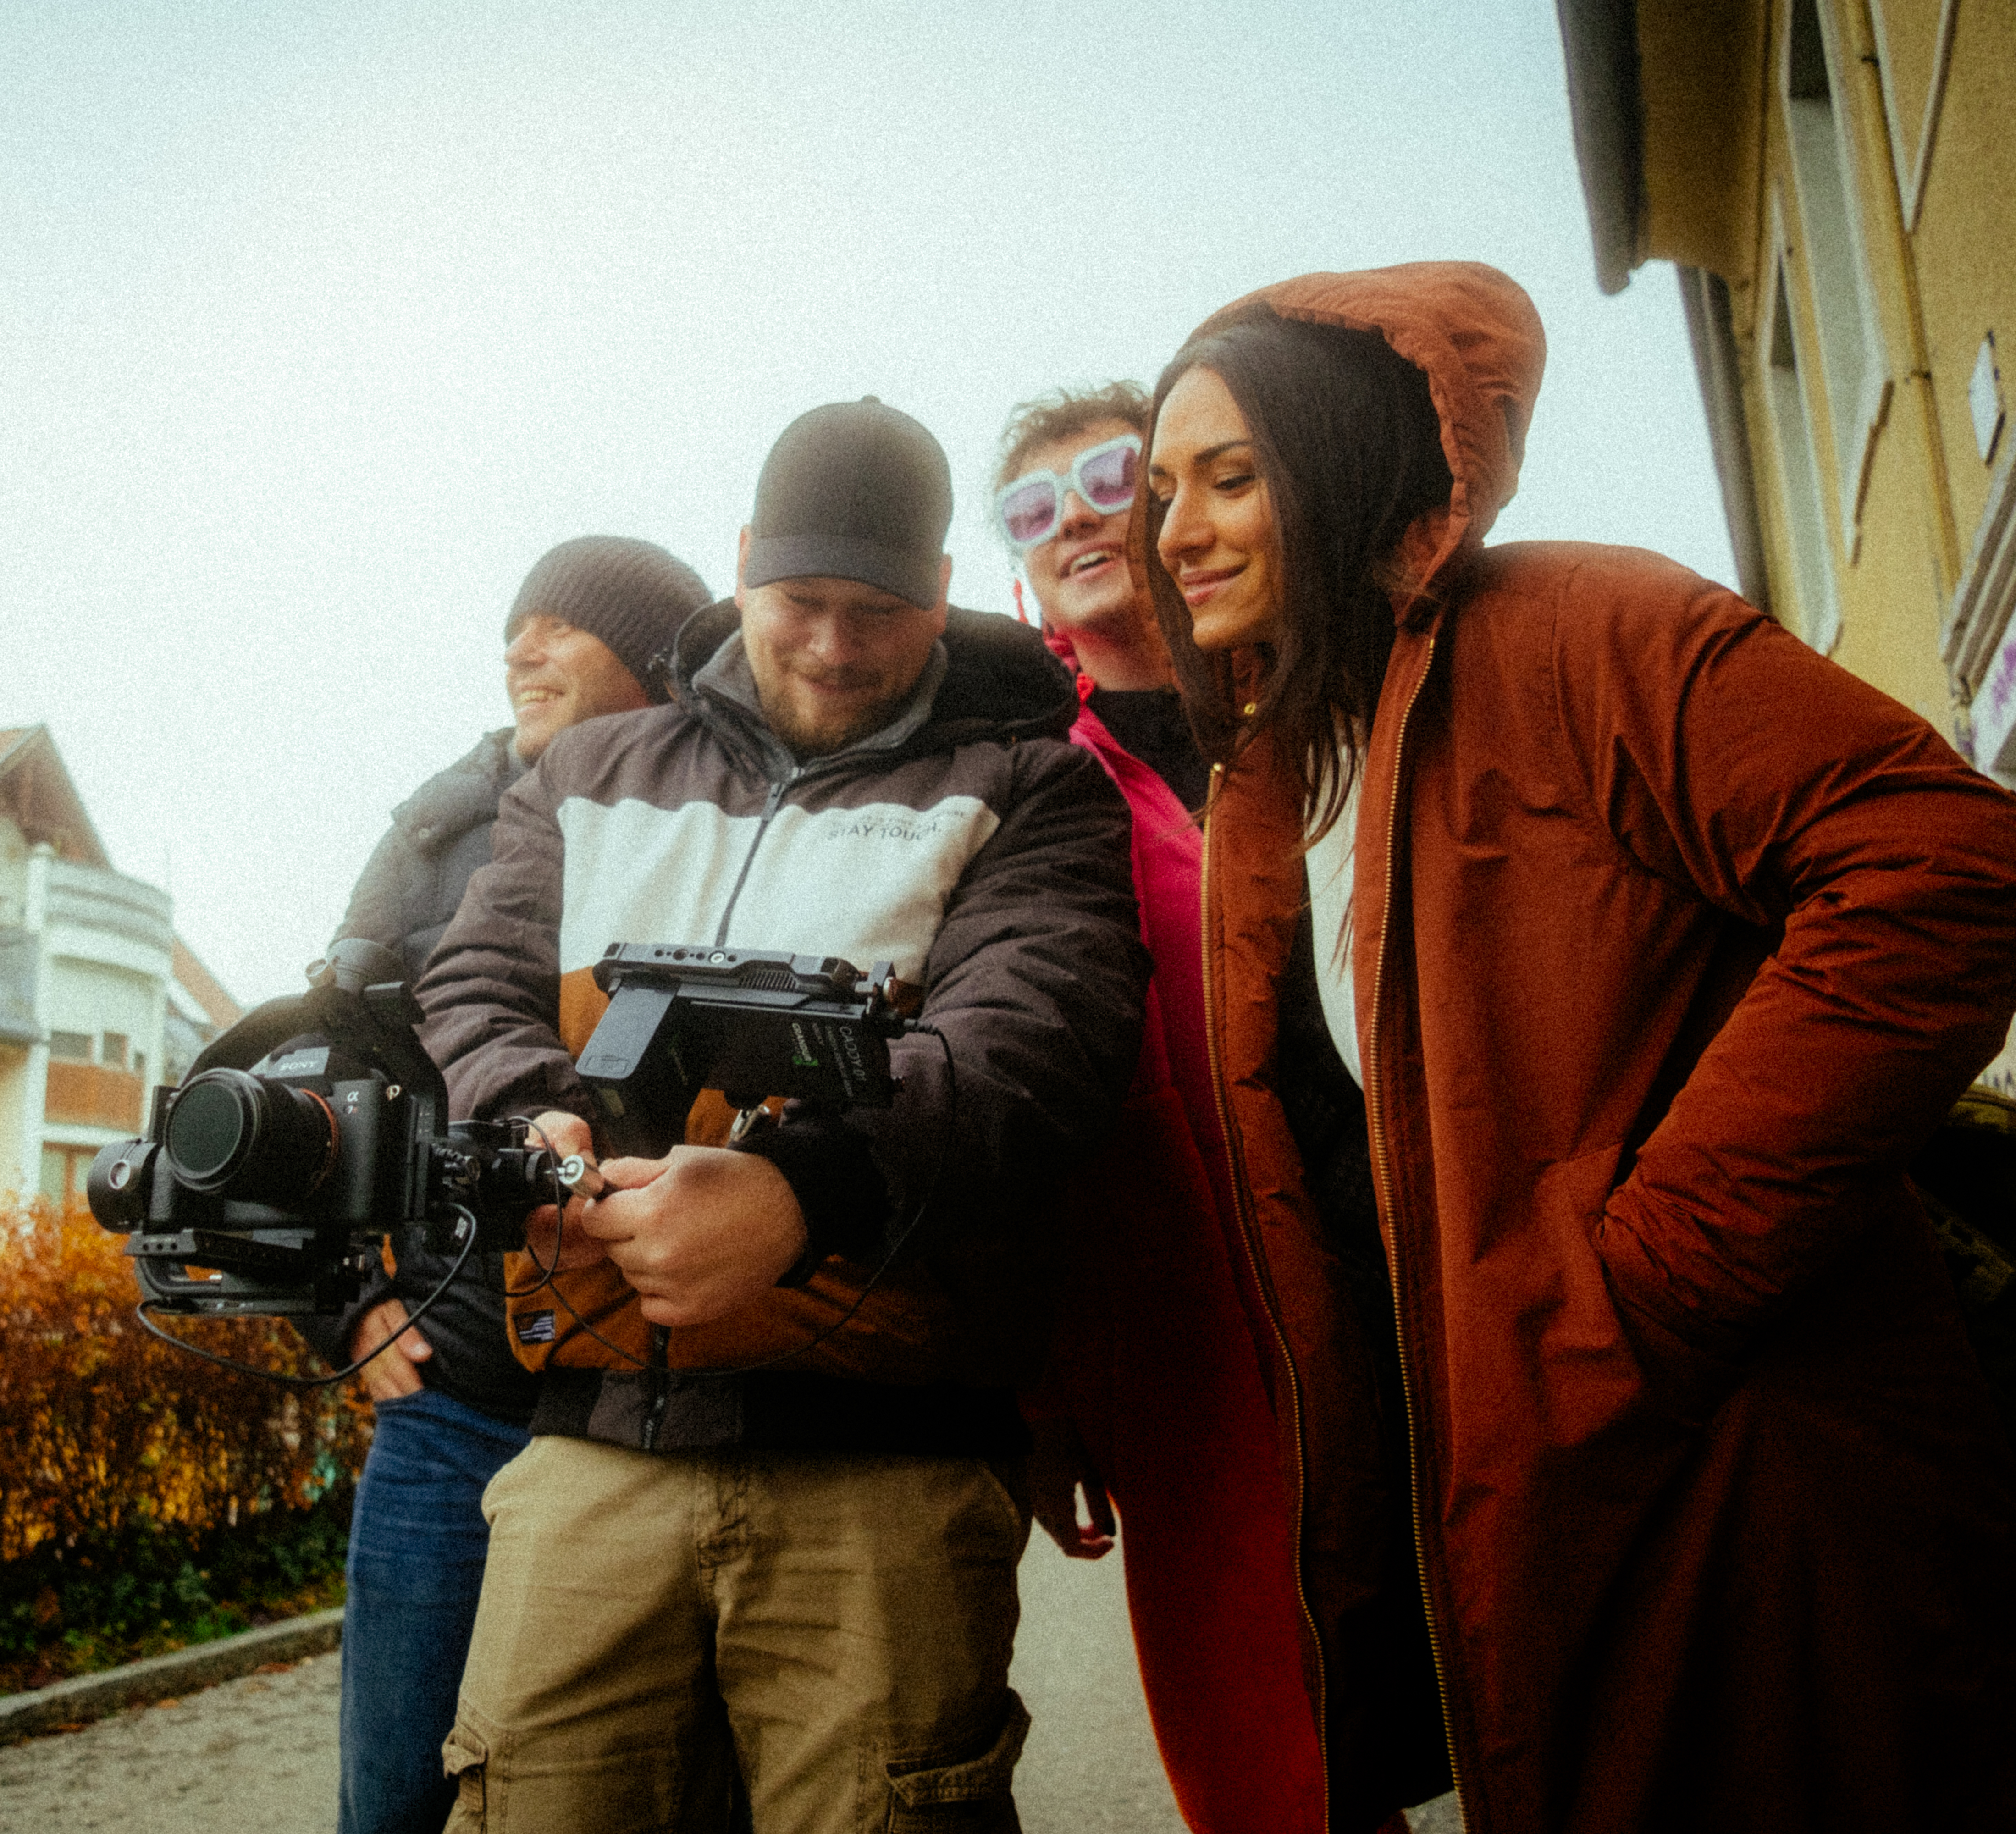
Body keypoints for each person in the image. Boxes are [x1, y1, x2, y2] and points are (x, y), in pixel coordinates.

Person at [1142, 260, 2016, 1833]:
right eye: (1162, 488)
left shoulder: (1572, 623)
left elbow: (1941, 866)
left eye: (1229, 475)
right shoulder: (1281, 788)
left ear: (1339, 465)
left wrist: (1655, 1276)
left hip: (1755, 1485)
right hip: (1542, 1514)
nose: (1175, 531)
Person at [416, 397, 1146, 1832]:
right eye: (799, 601)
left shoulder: (1031, 788)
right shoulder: (583, 776)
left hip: (892, 1468)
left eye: (876, 608)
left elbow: (1029, 1046)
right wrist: (537, 1119)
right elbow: (477, 985)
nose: (830, 645)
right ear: (740, 561)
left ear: (941, 590)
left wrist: (805, 1190)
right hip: (588, 1449)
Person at [309, 533, 710, 1834]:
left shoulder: (732, 813)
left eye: (557, 625)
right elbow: (320, 1082)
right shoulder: (434, 834)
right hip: (460, 1401)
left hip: (667, 1416)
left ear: (651, 659)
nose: (518, 650)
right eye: (511, 628)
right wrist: (344, 1305)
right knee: (401, 1801)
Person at [991, 386, 1325, 1834]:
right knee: (1264, 1741)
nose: (1073, 515)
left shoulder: (1325, 704)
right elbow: (1022, 1107)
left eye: (1107, 476)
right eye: (1031, 505)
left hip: (1401, 1267)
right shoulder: (1022, 787)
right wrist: (1049, 1389)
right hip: (1188, 1333)